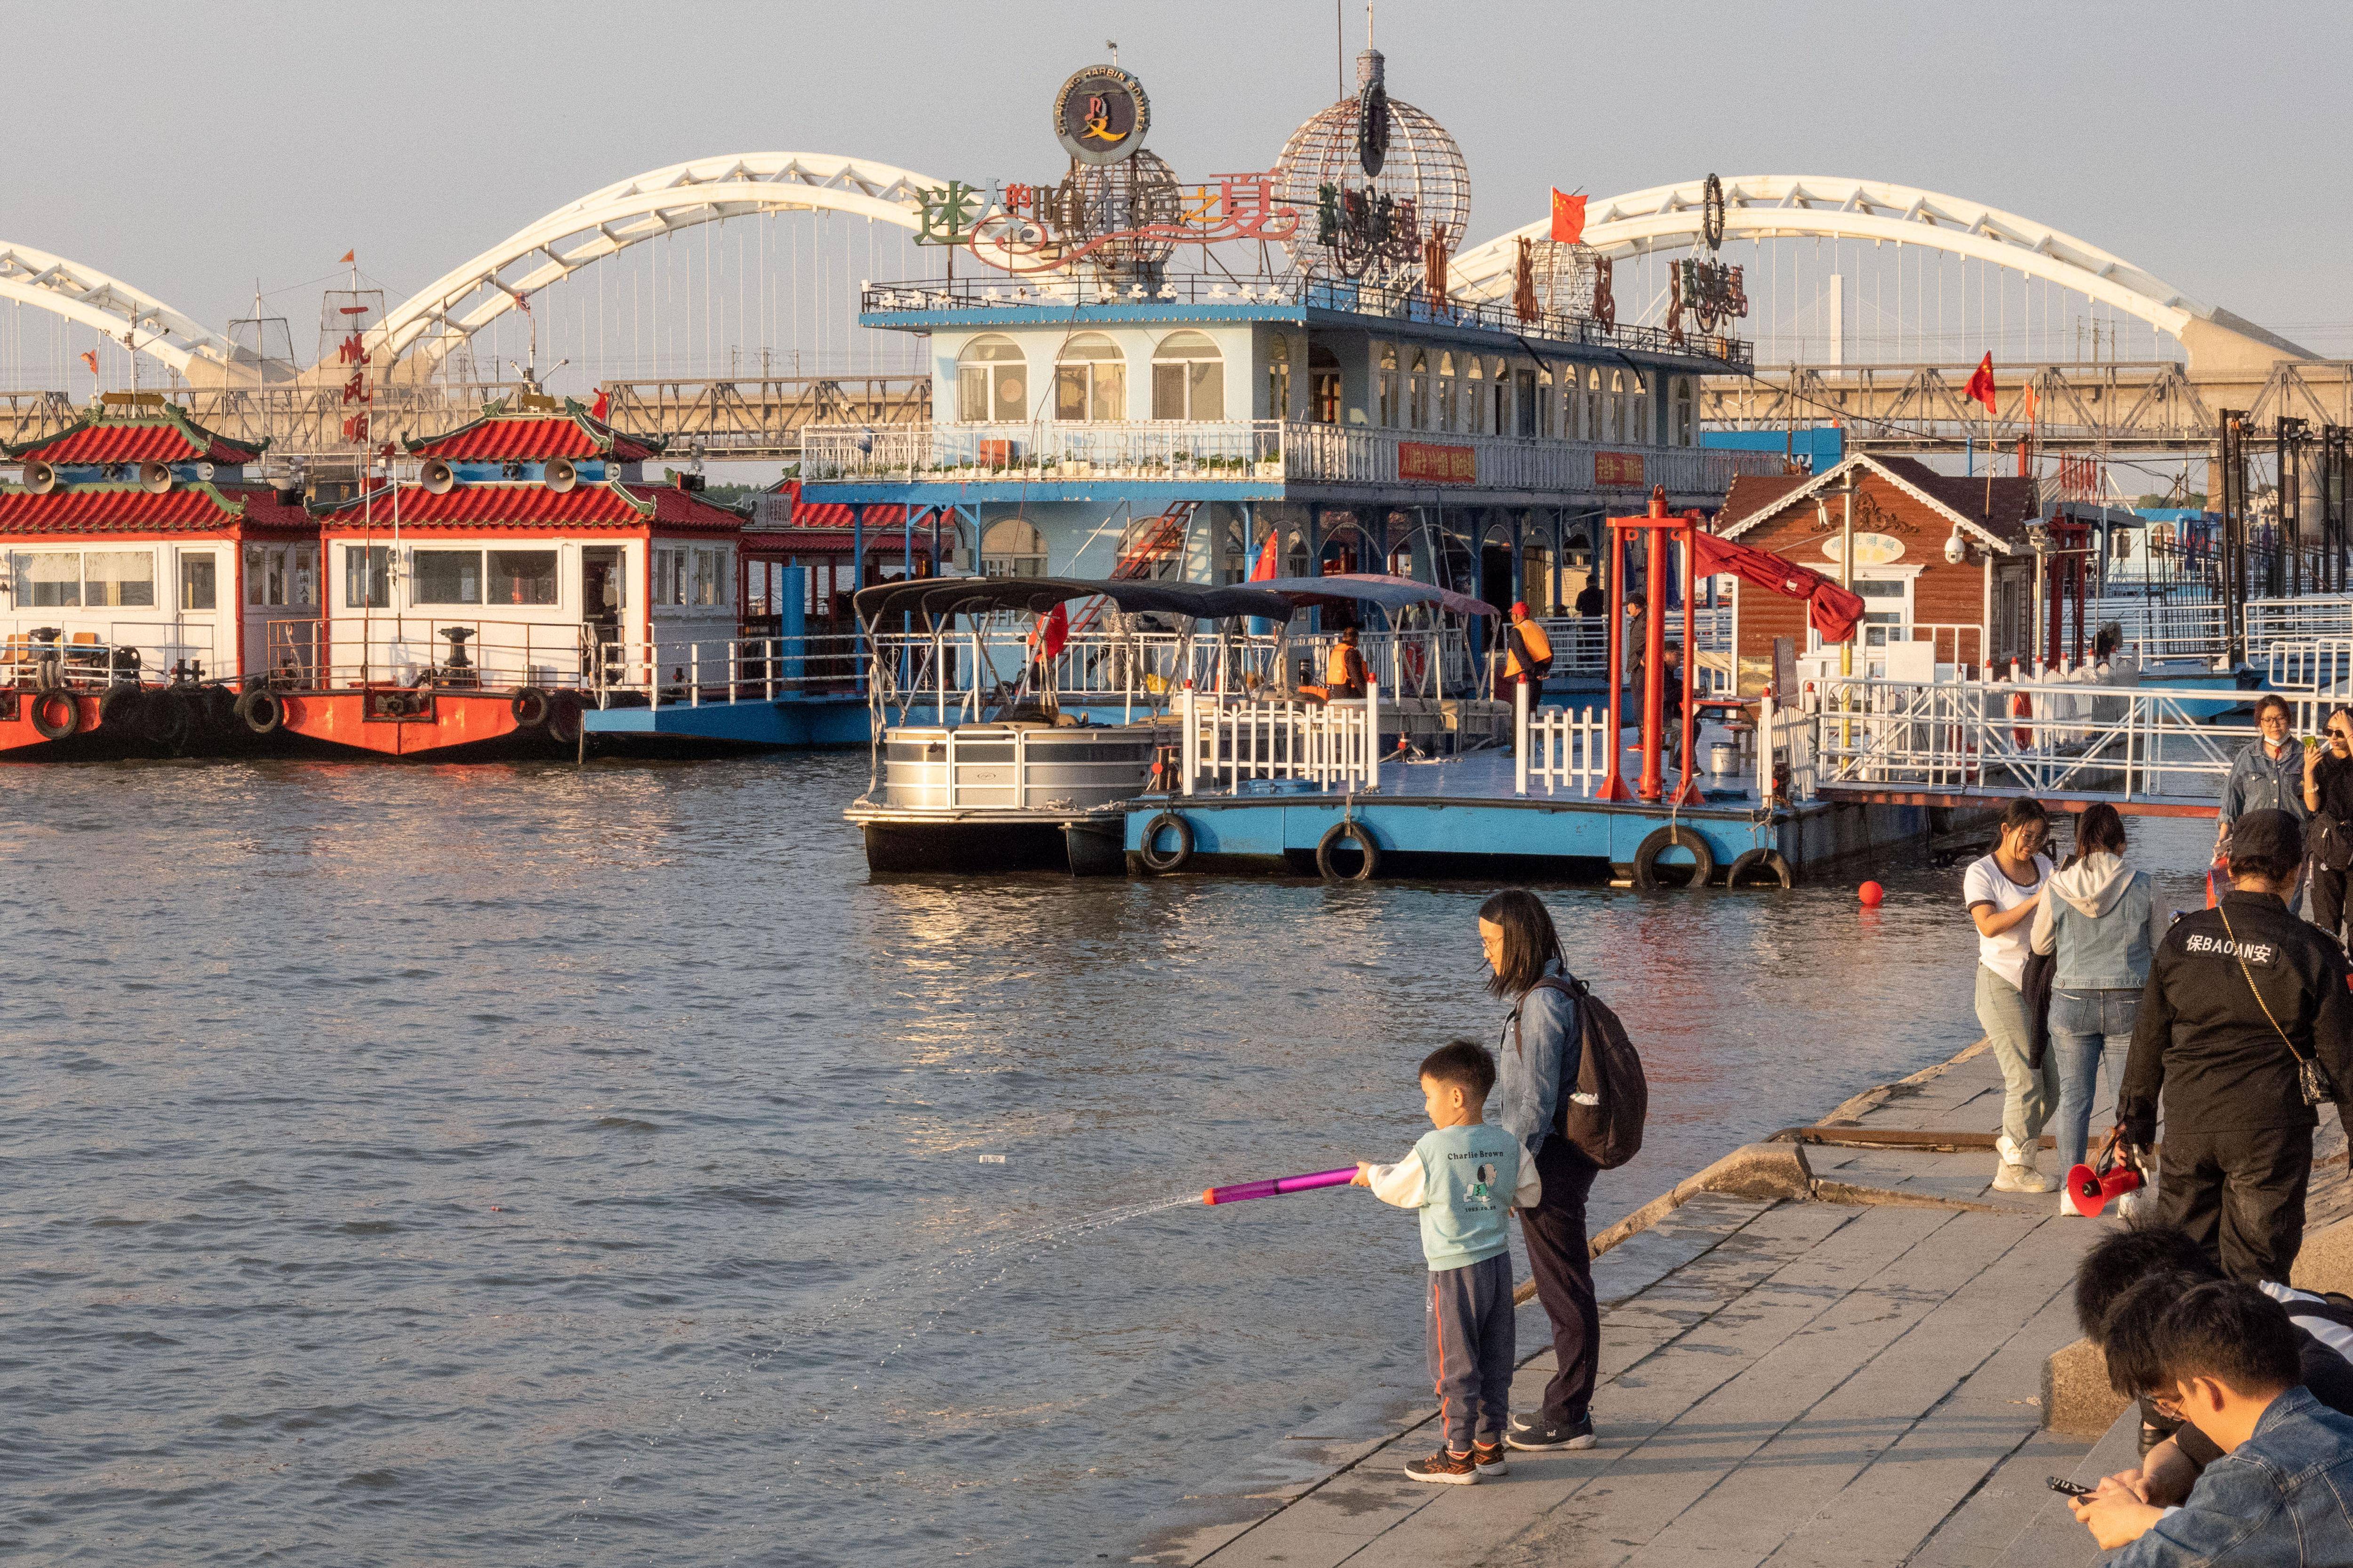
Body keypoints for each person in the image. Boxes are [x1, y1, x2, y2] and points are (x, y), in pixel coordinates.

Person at [2122, 808, 2353, 1283]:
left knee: (2181, 1274)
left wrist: (2134, 1123)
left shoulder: (2180, 939)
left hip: (2190, 1123)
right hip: (2268, 1133)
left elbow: (2147, 1038)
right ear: (2296, 871)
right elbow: (2342, 1062)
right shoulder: (2312, 950)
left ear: (2228, 868)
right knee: (2256, 1280)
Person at [1355, 1039, 1541, 1485]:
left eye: (1429, 1096)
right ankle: (1488, 1446)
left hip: (1453, 1273)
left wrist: (1370, 1175)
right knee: (1495, 1358)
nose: (1425, 1108)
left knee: (1454, 1363)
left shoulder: (1432, 1148)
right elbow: (1530, 1193)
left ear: (1456, 1097)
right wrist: (1504, 1200)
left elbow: (1398, 1189)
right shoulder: (1506, 1143)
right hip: (1497, 1266)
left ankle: (1457, 1455)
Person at [2070, 1280, 2353, 1561]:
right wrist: (2151, 1489)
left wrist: (2138, 1521)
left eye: (2180, 1398)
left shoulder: (2254, 1478)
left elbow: (2245, 1524)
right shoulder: (2330, 1422)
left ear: (2206, 1391)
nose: (2185, 1418)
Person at [2072, 1225, 2353, 1498]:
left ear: (2206, 1390)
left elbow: (2239, 1532)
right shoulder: (2247, 1340)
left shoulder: (2307, 1397)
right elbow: (2182, 1448)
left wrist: (2142, 1521)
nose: (2179, 1419)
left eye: (2175, 1404)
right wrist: (2152, 1483)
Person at [1480, 889, 1600, 1453]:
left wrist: (1505, 1172)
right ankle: (1569, 1405)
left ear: (1518, 939)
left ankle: (1568, 1412)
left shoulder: (1542, 1004)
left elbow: (1532, 1105)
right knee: (1566, 1282)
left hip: (1547, 1161)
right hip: (1555, 1158)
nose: (1486, 954)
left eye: (1491, 942)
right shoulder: (1555, 987)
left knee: (1564, 1286)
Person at [2031, 802, 2164, 1202]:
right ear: (2120, 841)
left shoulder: (2057, 885)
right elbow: (2160, 949)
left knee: (2075, 1099)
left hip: (2072, 1001)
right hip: (2130, 1002)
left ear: (2082, 840)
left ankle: (2075, 1196)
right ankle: (2128, 1196)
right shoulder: (2143, 884)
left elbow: (2039, 944)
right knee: (2130, 1103)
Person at [1964, 797, 2060, 1193]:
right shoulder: (1981, 872)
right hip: (2000, 983)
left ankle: (2014, 1150)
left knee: (2054, 1087)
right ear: (2007, 830)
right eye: (2027, 835)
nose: (2032, 845)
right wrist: (2035, 901)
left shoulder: (2046, 867)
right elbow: (1988, 926)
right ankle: (2015, 1169)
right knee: (2025, 1079)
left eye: (2040, 838)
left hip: (2039, 986)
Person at [2220, 694, 2308, 856]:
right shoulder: (2247, 756)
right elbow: (2231, 799)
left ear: (2289, 719)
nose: (2274, 724)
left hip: (2293, 842)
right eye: (2267, 720)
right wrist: (2223, 837)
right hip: (2255, 841)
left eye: (2280, 718)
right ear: (2260, 723)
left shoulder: (2304, 755)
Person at [2304, 705, 2353, 951]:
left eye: (2340, 733)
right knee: (2325, 921)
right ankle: (2329, 975)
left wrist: (2350, 731)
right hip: (2327, 845)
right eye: (2329, 732)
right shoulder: (2323, 765)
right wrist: (2309, 771)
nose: (2333, 738)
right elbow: (2313, 806)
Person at [1501, 601, 1554, 696]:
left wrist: (1534, 672)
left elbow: (1521, 655)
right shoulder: (1539, 629)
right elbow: (1550, 652)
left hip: (1522, 676)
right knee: (1533, 708)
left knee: (1520, 708)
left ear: (1516, 616)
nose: (1512, 617)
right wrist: (1542, 672)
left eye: (1512, 614)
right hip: (1538, 677)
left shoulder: (1517, 631)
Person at [1322, 626, 1368, 701]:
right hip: (1349, 693)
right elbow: (1356, 677)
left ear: (1344, 638)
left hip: (1337, 692)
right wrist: (1367, 694)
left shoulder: (1336, 651)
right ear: (1356, 639)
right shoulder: (1351, 653)